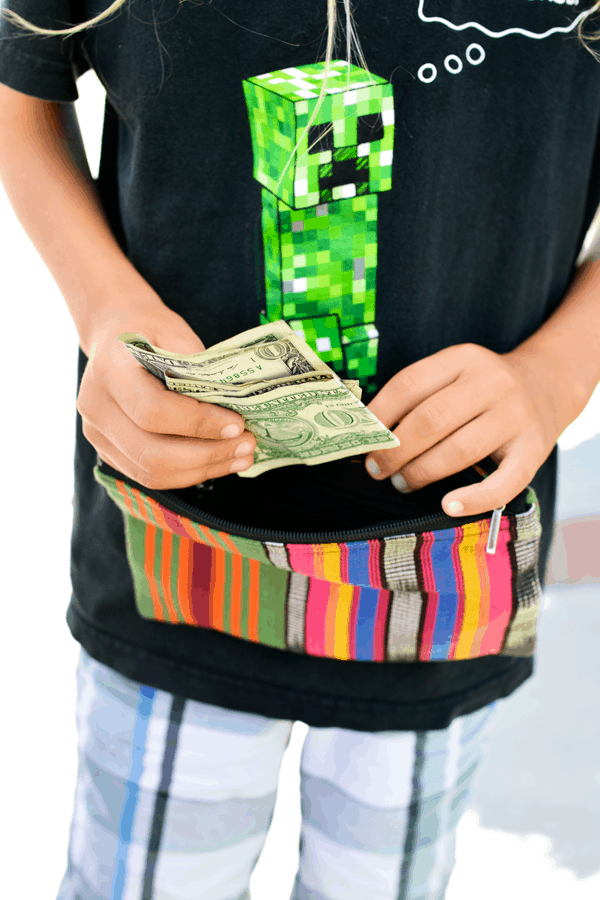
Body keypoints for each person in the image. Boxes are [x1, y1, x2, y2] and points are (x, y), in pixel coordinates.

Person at [1, 1, 599, 898]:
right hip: (175, 555)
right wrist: (105, 308)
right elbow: (19, 84)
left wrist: (560, 370)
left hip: (439, 568)